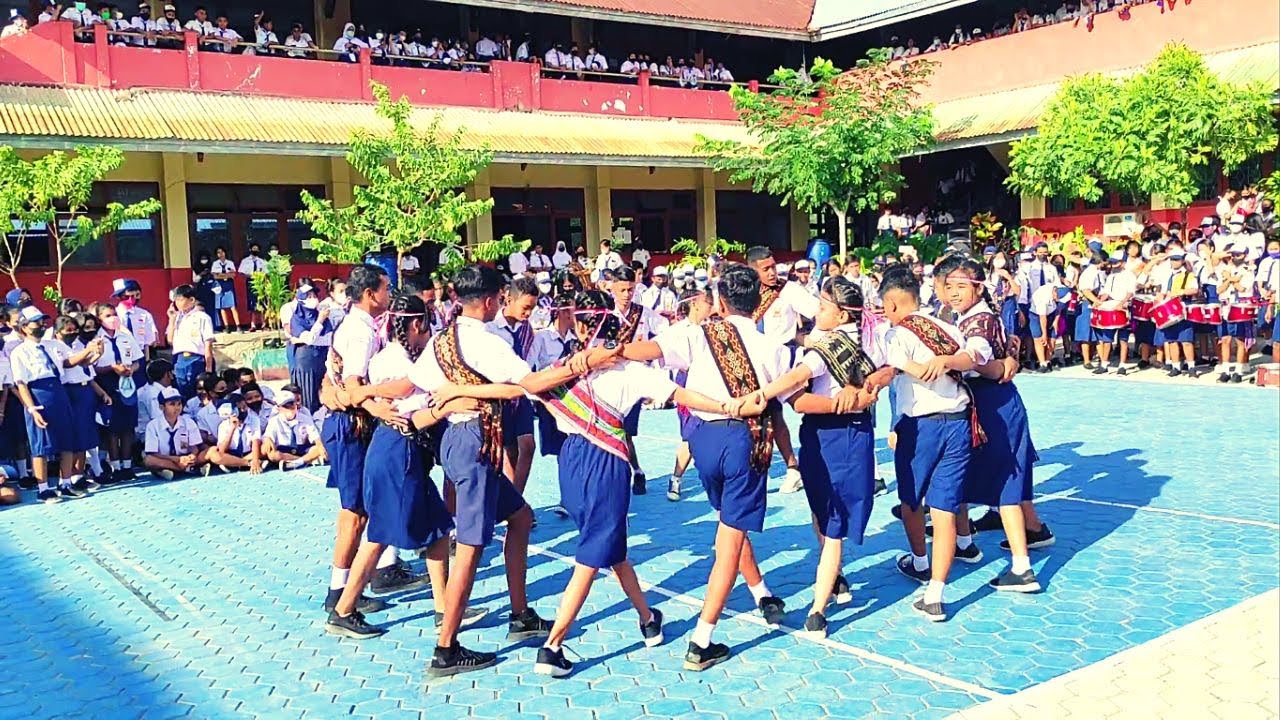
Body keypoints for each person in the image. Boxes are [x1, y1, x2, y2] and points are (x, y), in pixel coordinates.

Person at [532, 290, 756, 677]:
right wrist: (726, 407)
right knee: (591, 554)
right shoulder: (618, 371)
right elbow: (681, 394)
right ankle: (553, 645)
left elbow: (530, 385)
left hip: (572, 461)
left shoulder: (565, 367)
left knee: (610, 546)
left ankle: (648, 618)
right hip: (605, 462)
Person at [407, 264, 608, 677]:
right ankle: (446, 647)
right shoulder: (487, 340)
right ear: (489, 301)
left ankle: (520, 614)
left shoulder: (443, 338)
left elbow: (422, 382)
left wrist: (457, 393)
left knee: (520, 518)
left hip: (462, 438)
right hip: (474, 439)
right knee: (471, 543)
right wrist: (580, 364)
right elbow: (528, 383)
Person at [621, 262, 790, 670]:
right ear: (759, 303)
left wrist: (604, 352)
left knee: (727, 520)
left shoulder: (697, 333)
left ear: (718, 300)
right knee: (729, 538)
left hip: (702, 439)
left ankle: (760, 591)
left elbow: (646, 351)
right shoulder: (776, 349)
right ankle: (703, 638)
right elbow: (785, 404)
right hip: (745, 439)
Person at [326, 294, 485, 640]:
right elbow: (407, 385)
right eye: (426, 327)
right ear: (416, 325)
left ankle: (444, 609)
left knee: (438, 529)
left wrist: (368, 394)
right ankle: (342, 609)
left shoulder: (388, 355)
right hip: (398, 449)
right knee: (381, 533)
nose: (428, 334)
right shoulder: (399, 358)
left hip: (405, 450)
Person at [750, 277, 884, 638]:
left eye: (823, 307)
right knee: (823, 513)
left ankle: (817, 609)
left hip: (838, 437)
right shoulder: (868, 338)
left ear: (841, 314)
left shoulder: (827, 349)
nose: (816, 313)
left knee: (834, 521)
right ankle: (835, 575)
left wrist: (761, 395)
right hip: (832, 434)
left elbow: (798, 378)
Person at [879, 265, 983, 622]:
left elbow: (894, 364)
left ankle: (920, 563)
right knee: (944, 508)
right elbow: (970, 362)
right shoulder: (948, 327)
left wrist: (916, 367)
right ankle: (936, 594)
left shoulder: (896, 334)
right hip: (957, 422)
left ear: (892, 304)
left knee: (911, 499)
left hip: (920, 426)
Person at [317, 264, 417, 619]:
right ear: (371, 294)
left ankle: (384, 568)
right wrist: (379, 409)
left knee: (368, 505)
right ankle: (339, 592)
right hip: (351, 424)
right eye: (386, 288)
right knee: (354, 513)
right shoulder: (359, 332)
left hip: (353, 419)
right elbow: (354, 384)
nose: (389, 294)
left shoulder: (363, 326)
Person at [940, 258, 1046, 592]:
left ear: (978, 287)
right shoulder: (975, 315)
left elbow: (979, 355)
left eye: (961, 286)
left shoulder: (979, 320)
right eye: (950, 286)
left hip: (991, 403)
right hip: (991, 401)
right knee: (997, 482)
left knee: (1004, 485)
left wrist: (962, 365)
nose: (954, 293)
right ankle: (966, 540)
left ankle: (1021, 566)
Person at [11, 306, 102, 503]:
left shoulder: (52, 345)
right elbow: (21, 383)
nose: (42, 325)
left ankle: (66, 483)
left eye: (43, 321)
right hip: (38, 394)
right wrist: (32, 408)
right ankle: (43, 488)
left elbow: (70, 362)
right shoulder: (19, 352)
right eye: (37, 322)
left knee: (66, 440)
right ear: (25, 327)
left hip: (59, 393)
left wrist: (92, 352)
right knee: (41, 445)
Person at [745, 246, 816, 494]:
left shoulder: (788, 290)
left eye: (774, 266)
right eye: (766, 269)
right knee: (767, 417)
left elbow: (817, 313)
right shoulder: (747, 292)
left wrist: (807, 342)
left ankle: (808, 464)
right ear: (753, 270)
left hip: (787, 360)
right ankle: (791, 468)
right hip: (755, 362)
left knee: (806, 407)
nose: (773, 273)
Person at [609, 266, 668, 493]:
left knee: (625, 431)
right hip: (609, 377)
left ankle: (634, 470)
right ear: (612, 287)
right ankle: (631, 471)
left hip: (634, 377)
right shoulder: (604, 312)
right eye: (622, 289)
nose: (626, 294)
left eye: (630, 289)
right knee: (612, 428)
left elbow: (665, 331)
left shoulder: (643, 313)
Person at [486, 277, 539, 495]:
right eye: (526, 307)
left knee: (528, 446)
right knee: (507, 451)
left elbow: (531, 359)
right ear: (509, 299)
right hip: (499, 396)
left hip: (522, 393)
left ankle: (517, 499)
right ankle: (510, 504)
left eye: (533, 308)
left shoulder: (528, 329)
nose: (528, 313)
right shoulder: (490, 328)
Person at [52, 313, 109, 494]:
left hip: (85, 389)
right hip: (69, 391)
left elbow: (85, 365)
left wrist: (98, 353)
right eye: (68, 330)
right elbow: (68, 363)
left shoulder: (78, 344)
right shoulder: (54, 346)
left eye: (75, 330)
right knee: (72, 435)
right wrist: (87, 350)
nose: (73, 333)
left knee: (85, 434)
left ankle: (79, 475)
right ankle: (66, 478)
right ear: (58, 331)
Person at [93, 301, 142, 482]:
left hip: (127, 383)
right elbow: (92, 368)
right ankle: (116, 466)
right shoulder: (96, 340)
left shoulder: (125, 337)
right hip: (108, 383)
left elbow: (137, 360)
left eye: (114, 314)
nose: (112, 318)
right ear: (99, 319)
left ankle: (127, 466)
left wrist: (131, 369)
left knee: (128, 426)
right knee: (113, 428)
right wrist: (112, 368)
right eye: (107, 316)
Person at [142, 386, 209, 480]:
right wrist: (176, 460)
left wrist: (192, 456)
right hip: (166, 458)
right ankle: (187, 469)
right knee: (148, 460)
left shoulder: (188, 422)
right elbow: (153, 452)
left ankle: (170, 470)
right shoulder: (153, 425)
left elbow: (194, 446)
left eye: (179, 404)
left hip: (185, 457)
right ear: (162, 407)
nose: (177, 408)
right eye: (172, 404)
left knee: (209, 451)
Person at [288, 283, 334, 412]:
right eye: (308, 296)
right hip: (306, 361)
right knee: (308, 395)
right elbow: (308, 339)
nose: (313, 298)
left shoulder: (321, 314)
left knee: (323, 391)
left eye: (314, 295)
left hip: (322, 359)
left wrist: (313, 338)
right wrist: (319, 322)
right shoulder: (297, 318)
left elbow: (328, 338)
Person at [167, 284, 215, 400]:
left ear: (192, 300)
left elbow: (208, 345)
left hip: (196, 358)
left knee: (196, 393)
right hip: (179, 359)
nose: (178, 303)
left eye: (181, 300)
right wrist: (172, 320)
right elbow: (170, 341)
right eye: (176, 300)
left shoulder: (202, 317)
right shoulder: (177, 317)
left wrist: (208, 370)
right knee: (182, 392)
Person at [1217, 245, 1255, 383]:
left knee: (1240, 340)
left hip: (1241, 306)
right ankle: (1226, 370)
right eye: (1232, 254)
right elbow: (1219, 290)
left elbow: (1242, 288)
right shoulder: (1226, 270)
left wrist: (1231, 279)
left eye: (1237, 254)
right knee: (1225, 339)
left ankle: (1238, 371)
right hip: (1226, 307)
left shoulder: (1248, 271)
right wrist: (1231, 279)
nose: (1234, 257)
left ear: (1244, 255)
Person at [261, 390, 325, 471]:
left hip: (302, 448)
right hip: (285, 450)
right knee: (272, 455)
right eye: (286, 406)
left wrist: (320, 446)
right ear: (278, 408)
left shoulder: (305, 418)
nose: (290, 408)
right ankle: (307, 460)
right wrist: (267, 439)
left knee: (319, 448)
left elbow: (316, 437)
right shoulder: (274, 420)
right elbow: (268, 435)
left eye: (292, 404)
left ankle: (296, 462)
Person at [206, 394, 263, 473]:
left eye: (244, 407)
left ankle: (234, 464)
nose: (243, 410)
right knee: (215, 455)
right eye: (239, 408)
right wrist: (232, 429)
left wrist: (255, 459)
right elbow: (222, 449)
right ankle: (246, 464)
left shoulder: (254, 419)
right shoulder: (223, 425)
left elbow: (256, 441)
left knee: (264, 448)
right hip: (231, 455)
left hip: (249, 453)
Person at [113, 278, 158, 361]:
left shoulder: (144, 314)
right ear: (118, 297)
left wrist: (147, 359)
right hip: (120, 353)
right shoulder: (113, 314)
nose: (130, 300)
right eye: (125, 297)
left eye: (133, 296)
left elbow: (148, 340)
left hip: (139, 354)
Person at [238, 243, 268, 331]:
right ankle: (253, 324)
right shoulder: (245, 261)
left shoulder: (262, 261)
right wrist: (250, 275)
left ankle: (264, 324)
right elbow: (241, 272)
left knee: (262, 303)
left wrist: (260, 275)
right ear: (250, 249)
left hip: (261, 282)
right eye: (254, 248)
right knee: (252, 304)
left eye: (257, 249)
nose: (255, 250)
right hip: (250, 282)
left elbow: (266, 272)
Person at [210, 246, 241, 332]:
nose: (221, 254)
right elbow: (215, 276)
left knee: (233, 306)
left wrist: (222, 275)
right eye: (218, 252)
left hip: (229, 284)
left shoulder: (230, 263)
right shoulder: (215, 264)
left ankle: (238, 325)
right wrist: (226, 275)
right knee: (222, 306)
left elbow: (233, 275)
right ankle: (226, 326)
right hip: (220, 285)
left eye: (222, 252)